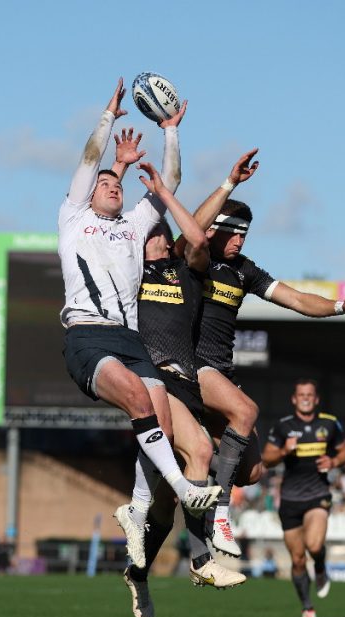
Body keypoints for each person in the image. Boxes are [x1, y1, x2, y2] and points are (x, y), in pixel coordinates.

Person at [58, 78, 220, 568]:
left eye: (116, 184)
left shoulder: (133, 225)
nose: (110, 185)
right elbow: (90, 159)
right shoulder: (72, 216)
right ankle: (180, 489)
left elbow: (170, 181)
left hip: (129, 339)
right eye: (104, 183)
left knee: (162, 428)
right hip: (87, 334)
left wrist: (170, 132)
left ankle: (139, 508)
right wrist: (107, 121)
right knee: (135, 397)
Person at [187, 175, 345, 557]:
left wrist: (340, 306)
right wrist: (229, 183)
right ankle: (220, 512)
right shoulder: (195, 261)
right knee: (246, 409)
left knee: (252, 472)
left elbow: (299, 300)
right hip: (191, 367)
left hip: (222, 372)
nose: (241, 240)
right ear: (214, 229)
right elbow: (192, 229)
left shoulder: (245, 270)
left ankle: (198, 464)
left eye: (246, 234)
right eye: (234, 232)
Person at [116, 151, 260, 617]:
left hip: (187, 388)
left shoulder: (187, 272)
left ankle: (139, 573)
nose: (157, 232)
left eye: (163, 227)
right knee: (199, 451)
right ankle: (202, 561)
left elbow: (197, 236)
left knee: (163, 503)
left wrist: (171, 192)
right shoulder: (133, 279)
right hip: (152, 384)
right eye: (150, 230)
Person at [262, 379, 345, 617]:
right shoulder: (283, 427)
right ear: (294, 399)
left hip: (317, 495)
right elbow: (266, 459)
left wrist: (333, 462)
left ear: (316, 399)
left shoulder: (329, 423)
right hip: (290, 500)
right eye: (301, 394)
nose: (305, 398)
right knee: (298, 559)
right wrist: (283, 452)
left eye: (309, 394)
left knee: (314, 546)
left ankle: (321, 567)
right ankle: (307, 607)